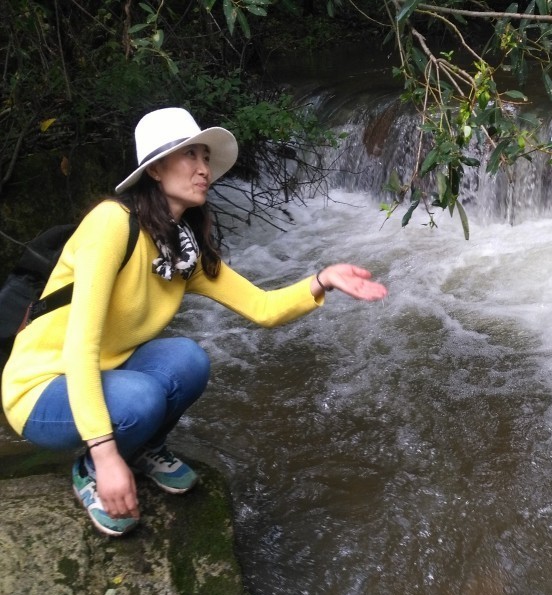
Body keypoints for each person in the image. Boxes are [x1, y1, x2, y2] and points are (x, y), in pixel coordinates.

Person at [1, 107, 387, 537]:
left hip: (107, 371)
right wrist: (106, 455)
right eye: (190, 156)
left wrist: (322, 279)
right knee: (142, 398)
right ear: (155, 169)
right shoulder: (111, 224)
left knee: (188, 359)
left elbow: (263, 307)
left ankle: (143, 448)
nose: (204, 169)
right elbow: (80, 344)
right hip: (41, 388)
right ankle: (92, 469)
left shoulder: (181, 250)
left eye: (205, 157)